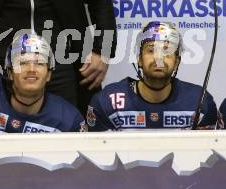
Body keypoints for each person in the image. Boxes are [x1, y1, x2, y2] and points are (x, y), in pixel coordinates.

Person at [87, 21, 218, 131]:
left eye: (167, 51)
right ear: (139, 59)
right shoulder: (107, 102)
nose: (159, 58)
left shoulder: (200, 101)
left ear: (177, 61)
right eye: (151, 50)